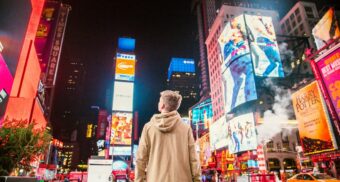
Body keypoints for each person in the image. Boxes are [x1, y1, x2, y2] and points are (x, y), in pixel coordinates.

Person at [135, 90, 201, 182]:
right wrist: (197, 179)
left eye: (159, 101)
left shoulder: (148, 127)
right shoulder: (186, 129)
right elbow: (194, 160)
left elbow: (140, 159)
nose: (158, 103)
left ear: (162, 105)